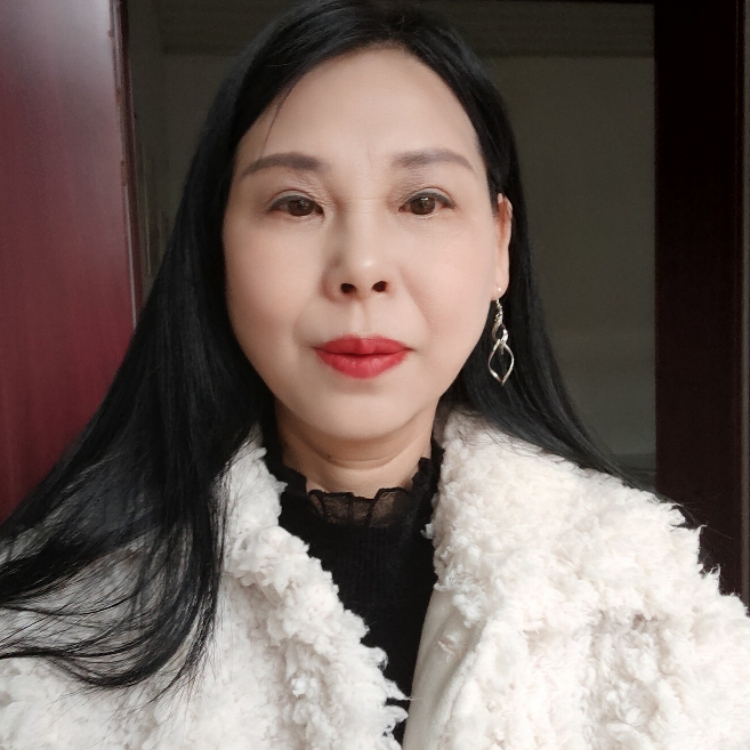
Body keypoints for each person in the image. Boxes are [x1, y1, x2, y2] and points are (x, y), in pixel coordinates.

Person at [2, 0, 750, 747]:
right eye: (296, 204)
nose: (361, 267)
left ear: (499, 246)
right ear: (216, 247)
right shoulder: (54, 625)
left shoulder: (652, 604)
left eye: (423, 201)